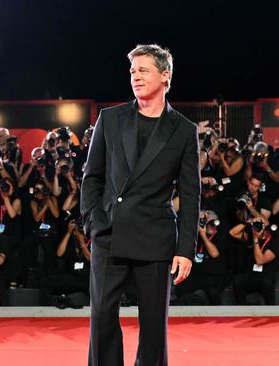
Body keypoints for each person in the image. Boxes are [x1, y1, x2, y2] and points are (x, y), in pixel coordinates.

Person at [81, 44, 200, 366]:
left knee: (152, 325)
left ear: (165, 76)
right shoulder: (111, 118)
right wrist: (93, 221)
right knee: (103, 316)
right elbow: (92, 177)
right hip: (110, 232)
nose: (135, 76)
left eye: (143, 70)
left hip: (155, 236)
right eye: (132, 71)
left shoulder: (184, 130)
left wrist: (186, 249)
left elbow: (191, 195)